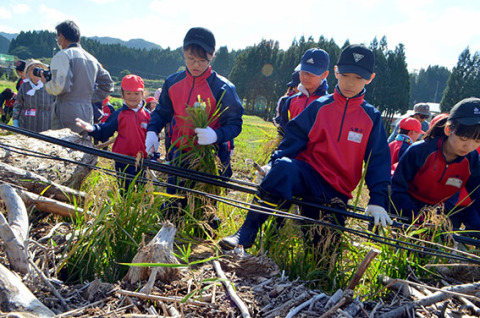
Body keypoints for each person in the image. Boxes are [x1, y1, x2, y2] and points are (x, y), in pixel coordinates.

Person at [220, 44, 393, 250]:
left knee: (322, 253)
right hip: (309, 175)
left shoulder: (371, 117)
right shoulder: (319, 106)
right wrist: (271, 165)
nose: (350, 83)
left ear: (370, 78)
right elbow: (294, 138)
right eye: (346, 75)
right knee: (284, 167)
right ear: (336, 72)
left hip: (336, 192)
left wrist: (378, 199)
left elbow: (378, 160)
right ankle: (246, 232)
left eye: (358, 77)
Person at [145, 26, 244, 185]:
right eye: (190, 58)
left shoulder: (223, 88)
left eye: (201, 60)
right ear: (183, 53)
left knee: (203, 205)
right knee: (173, 204)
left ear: (211, 56)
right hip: (180, 154)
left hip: (211, 156)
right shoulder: (172, 83)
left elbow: (235, 124)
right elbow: (162, 112)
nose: (195, 65)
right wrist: (152, 130)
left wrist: (215, 135)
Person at [391, 97, 480, 233]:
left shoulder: (472, 160)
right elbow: (397, 188)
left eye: (477, 141)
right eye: (463, 139)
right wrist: (415, 219)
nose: (469, 146)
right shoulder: (420, 150)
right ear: (448, 130)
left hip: (438, 214)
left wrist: (436, 218)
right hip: (405, 207)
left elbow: (478, 194)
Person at [76, 75, 150, 193]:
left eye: (136, 94)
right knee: (125, 189)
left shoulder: (147, 115)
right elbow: (106, 129)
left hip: (142, 160)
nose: (132, 97)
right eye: (129, 93)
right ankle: (123, 209)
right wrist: (92, 129)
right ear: (122, 94)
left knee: (141, 189)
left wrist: (154, 156)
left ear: (143, 94)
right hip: (122, 159)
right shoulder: (119, 114)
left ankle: (137, 210)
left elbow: (152, 136)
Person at [41, 20, 114, 134]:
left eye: (57, 37)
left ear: (61, 36)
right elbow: (108, 85)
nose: (58, 41)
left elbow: (60, 86)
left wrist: (46, 83)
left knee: (62, 147)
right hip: (87, 111)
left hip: (66, 110)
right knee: (83, 145)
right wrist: (89, 97)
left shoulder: (63, 55)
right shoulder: (92, 59)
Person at [277, 49, 330, 133]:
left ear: (324, 74)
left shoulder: (329, 104)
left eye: (311, 73)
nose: (306, 77)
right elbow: (282, 131)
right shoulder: (290, 101)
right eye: (303, 72)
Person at [12, 59, 55, 132]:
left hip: (46, 124)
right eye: (32, 69)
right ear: (28, 73)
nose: (36, 71)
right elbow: (18, 104)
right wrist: (15, 120)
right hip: (27, 123)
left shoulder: (49, 85)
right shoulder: (24, 86)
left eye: (38, 68)